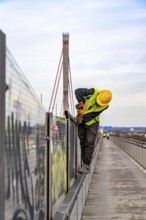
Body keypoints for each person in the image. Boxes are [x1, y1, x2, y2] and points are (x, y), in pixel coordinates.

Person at [75, 88, 112, 174]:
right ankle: (82, 161)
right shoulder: (93, 92)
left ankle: (86, 165)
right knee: (82, 142)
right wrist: (82, 103)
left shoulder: (105, 105)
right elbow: (78, 91)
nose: (98, 104)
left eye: (100, 104)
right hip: (81, 120)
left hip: (92, 122)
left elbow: (91, 115)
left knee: (90, 142)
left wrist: (81, 117)